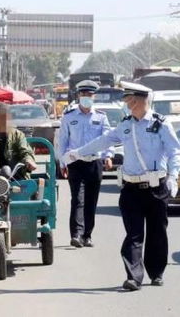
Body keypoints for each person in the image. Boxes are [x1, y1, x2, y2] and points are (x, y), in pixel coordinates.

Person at [64, 81, 180, 291]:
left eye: (128, 99)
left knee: (157, 232)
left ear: (138, 100)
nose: (126, 103)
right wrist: (78, 153)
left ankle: (156, 272)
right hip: (131, 188)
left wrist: (173, 176)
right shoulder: (126, 125)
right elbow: (104, 141)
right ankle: (134, 277)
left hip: (156, 187)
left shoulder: (161, 124)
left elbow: (175, 152)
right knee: (133, 234)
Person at [58, 80, 114, 248]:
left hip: (94, 163)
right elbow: (63, 141)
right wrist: (62, 161)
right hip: (75, 163)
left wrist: (108, 156)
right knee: (77, 199)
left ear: (94, 97)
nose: (86, 98)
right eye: (84, 95)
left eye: (89, 95)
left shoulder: (101, 117)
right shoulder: (69, 117)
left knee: (91, 201)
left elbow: (107, 138)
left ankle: (87, 235)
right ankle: (76, 234)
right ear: (79, 96)